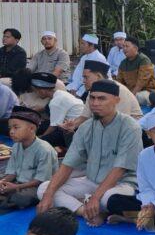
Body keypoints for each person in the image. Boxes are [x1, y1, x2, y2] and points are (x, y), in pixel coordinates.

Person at [36, 80, 141, 227]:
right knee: (43, 189)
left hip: (120, 184)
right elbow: (67, 164)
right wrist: (48, 196)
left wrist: (96, 198)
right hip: (92, 181)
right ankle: (86, 211)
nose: (95, 103)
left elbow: (119, 170)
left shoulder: (130, 127)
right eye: (92, 98)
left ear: (116, 100)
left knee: (108, 200)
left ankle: (99, 206)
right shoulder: (86, 127)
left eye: (101, 98)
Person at [61, 60, 143, 135]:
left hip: (130, 132)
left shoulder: (119, 91)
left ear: (98, 76)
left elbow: (121, 123)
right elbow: (84, 117)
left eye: (86, 77)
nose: (83, 81)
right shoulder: (92, 92)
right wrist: (72, 125)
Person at [0, 107, 58, 211]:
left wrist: (15, 187)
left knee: (22, 198)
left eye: (16, 127)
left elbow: (40, 180)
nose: (11, 132)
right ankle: (7, 195)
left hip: (36, 186)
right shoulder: (17, 145)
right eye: (10, 128)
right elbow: (12, 172)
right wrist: (3, 181)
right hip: (18, 181)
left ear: (31, 129)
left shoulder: (44, 150)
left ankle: (7, 196)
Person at [30, 72, 84, 149]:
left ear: (42, 91)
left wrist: (41, 138)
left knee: (37, 143)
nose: (36, 94)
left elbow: (53, 127)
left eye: (35, 91)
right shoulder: (60, 93)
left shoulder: (56, 101)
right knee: (38, 126)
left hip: (73, 130)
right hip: (69, 124)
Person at [117, 36, 155, 107]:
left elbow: (141, 83)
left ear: (135, 48)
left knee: (140, 97)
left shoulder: (144, 60)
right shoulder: (123, 63)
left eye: (127, 46)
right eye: (123, 46)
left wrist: (130, 96)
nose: (124, 49)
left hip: (146, 92)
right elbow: (119, 82)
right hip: (130, 92)